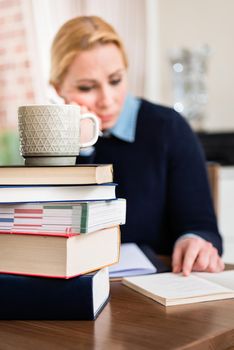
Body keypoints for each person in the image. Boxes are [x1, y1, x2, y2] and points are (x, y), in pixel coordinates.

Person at [49, 16, 224, 276]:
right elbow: (61, 230)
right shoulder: (47, 143)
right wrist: (82, 147)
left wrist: (194, 240)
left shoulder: (168, 128)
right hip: (78, 290)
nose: (107, 99)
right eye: (87, 87)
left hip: (156, 289)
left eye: (116, 80)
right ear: (58, 90)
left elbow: (202, 225)